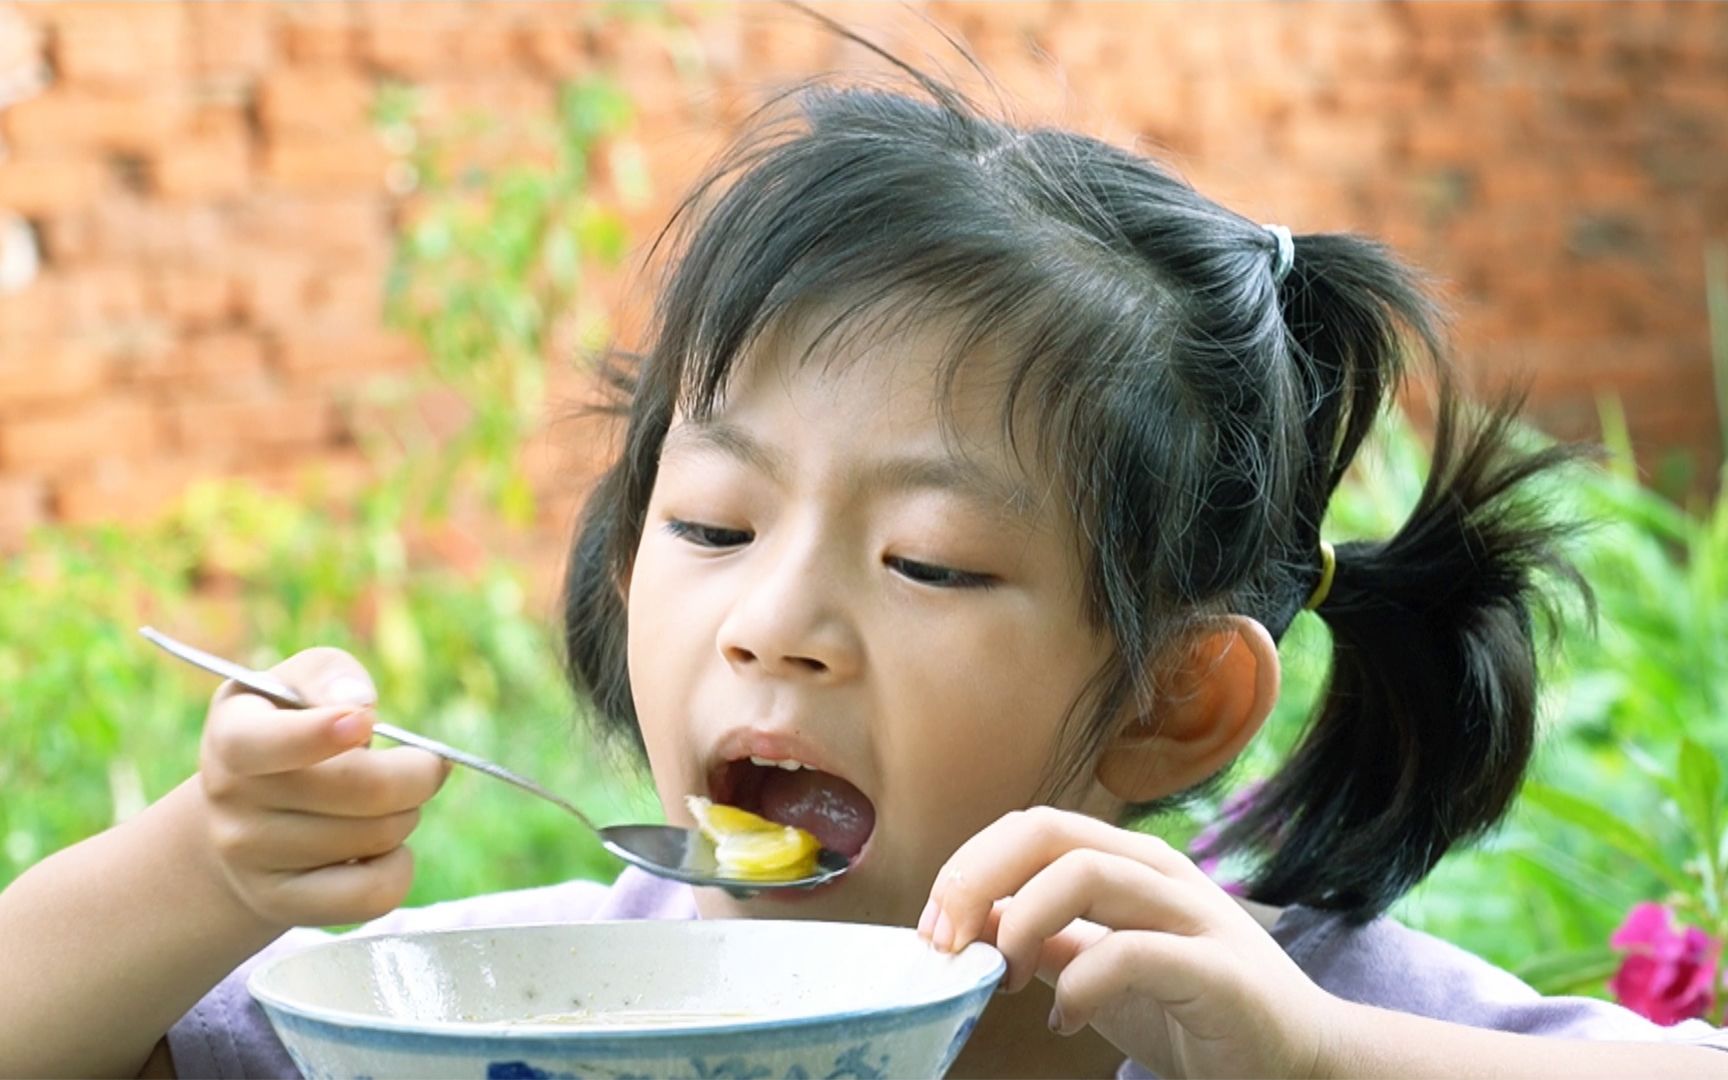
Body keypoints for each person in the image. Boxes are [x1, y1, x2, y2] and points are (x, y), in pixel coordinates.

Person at [3, 26, 1725, 1080]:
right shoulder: (508, 1005)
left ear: (1170, 703)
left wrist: (1315, 1058)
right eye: (711, 525)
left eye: (931, 562)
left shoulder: (1266, 1011)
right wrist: (210, 870)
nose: (777, 623)